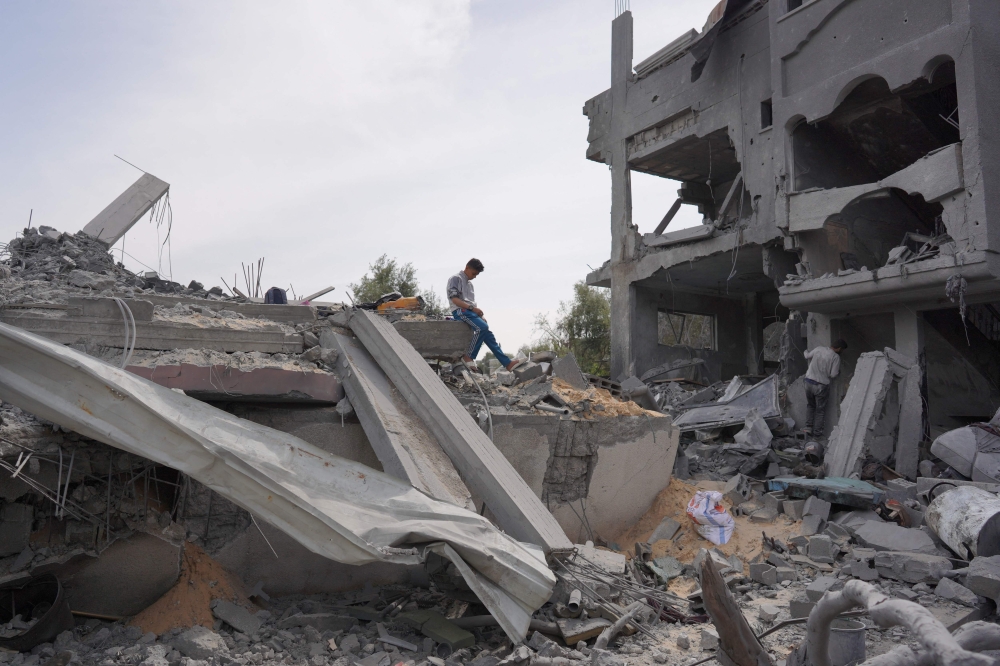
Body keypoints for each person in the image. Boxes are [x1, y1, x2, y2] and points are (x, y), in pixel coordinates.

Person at [447, 258, 522, 373]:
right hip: (460, 310)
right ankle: (469, 356)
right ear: (467, 267)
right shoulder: (455, 279)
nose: (475, 276)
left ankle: (507, 363)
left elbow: (471, 303)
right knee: (482, 327)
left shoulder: (470, 285)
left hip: (470, 311)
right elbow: (455, 299)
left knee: (489, 335)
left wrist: (479, 315)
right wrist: (472, 309)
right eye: (473, 273)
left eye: (477, 275)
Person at [802, 338, 847, 438]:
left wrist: (805, 350)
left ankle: (808, 427)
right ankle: (817, 434)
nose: (842, 352)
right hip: (821, 386)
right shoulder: (835, 357)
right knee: (820, 410)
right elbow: (833, 374)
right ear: (839, 348)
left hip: (808, 382)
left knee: (810, 405)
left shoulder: (819, 349)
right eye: (842, 350)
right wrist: (839, 372)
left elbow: (807, 356)